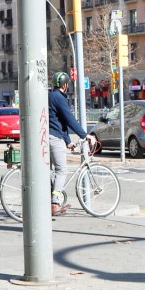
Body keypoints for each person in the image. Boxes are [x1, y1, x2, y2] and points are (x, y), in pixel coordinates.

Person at [48, 71, 95, 216]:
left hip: (49, 137)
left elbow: (59, 121)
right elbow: (69, 119)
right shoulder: (59, 98)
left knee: (52, 171)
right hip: (54, 139)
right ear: (65, 85)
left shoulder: (51, 96)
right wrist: (85, 135)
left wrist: (68, 141)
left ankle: (49, 198)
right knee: (62, 170)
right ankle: (55, 203)